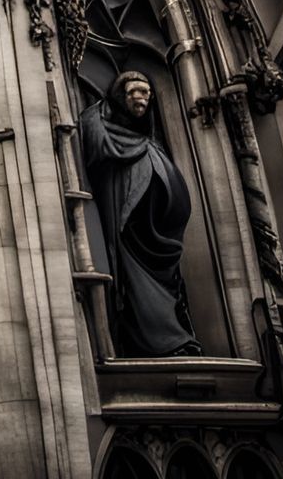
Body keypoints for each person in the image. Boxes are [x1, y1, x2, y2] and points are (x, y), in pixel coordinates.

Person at [80, 71, 200, 357]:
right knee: (135, 290)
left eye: (146, 92)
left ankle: (175, 337)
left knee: (165, 289)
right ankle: (161, 342)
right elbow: (96, 147)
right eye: (135, 91)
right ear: (121, 95)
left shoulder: (150, 142)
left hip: (153, 237)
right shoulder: (98, 126)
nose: (142, 97)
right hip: (125, 233)